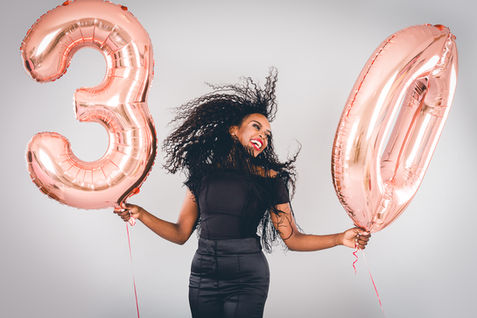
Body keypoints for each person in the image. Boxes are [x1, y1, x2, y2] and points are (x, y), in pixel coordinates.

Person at [115, 69, 370, 318]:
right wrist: (142, 213)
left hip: (247, 277)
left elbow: (293, 239)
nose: (263, 136)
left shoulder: (271, 180)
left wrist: (339, 238)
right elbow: (181, 233)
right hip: (203, 274)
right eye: (256, 127)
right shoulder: (203, 175)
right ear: (234, 130)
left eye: (267, 134)